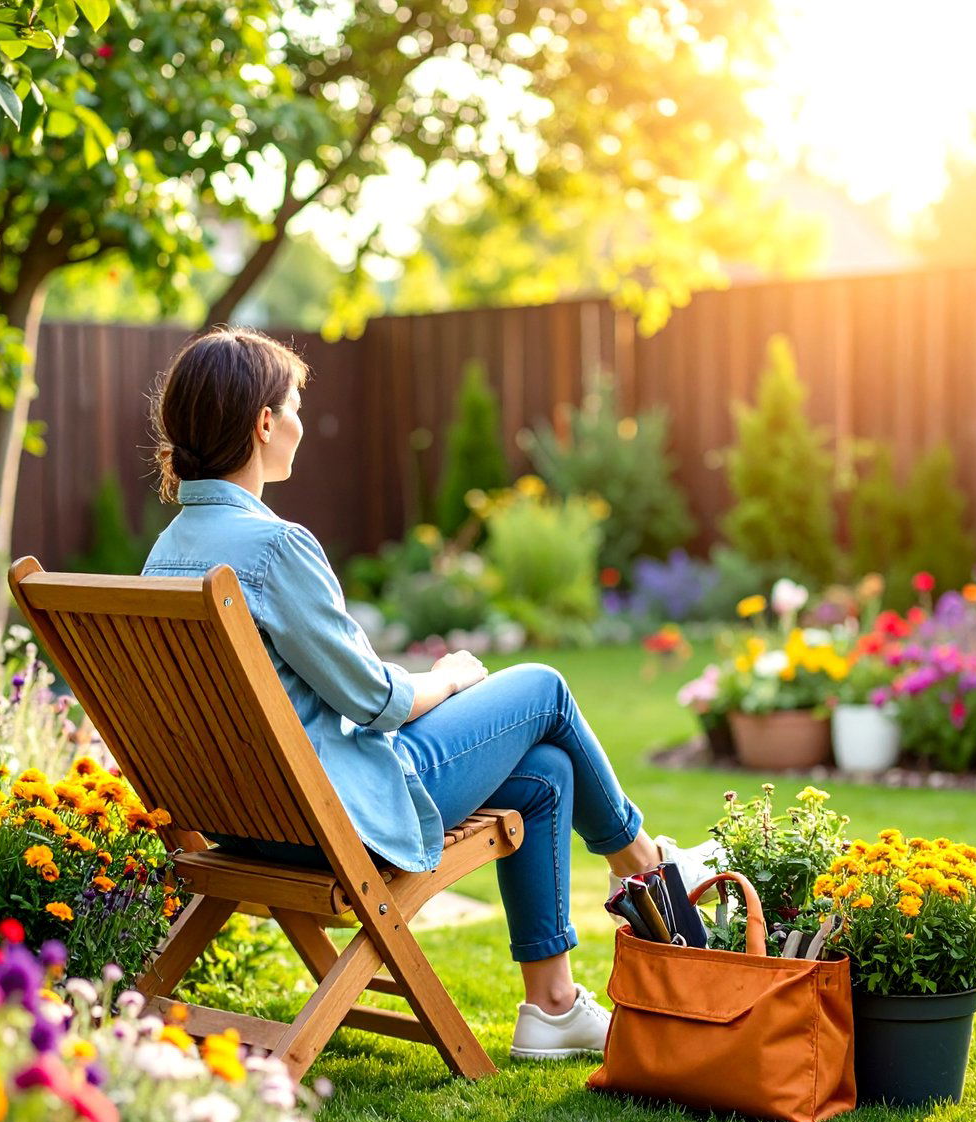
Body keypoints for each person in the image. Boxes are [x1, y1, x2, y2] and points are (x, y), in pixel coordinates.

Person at [143, 325, 683, 1060]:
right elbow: (374, 700)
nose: (301, 422)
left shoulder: (167, 551)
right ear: (264, 422)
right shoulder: (273, 548)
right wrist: (454, 676)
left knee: (547, 776)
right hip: (334, 819)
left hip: (243, 819)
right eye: (295, 405)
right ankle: (655, 877)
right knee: (545, 691)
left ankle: (552, 1008)